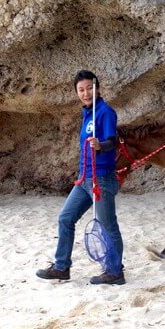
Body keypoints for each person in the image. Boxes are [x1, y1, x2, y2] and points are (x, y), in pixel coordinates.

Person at [36, 70, 125, 285]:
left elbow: (113, 141)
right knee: (66, 218)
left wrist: (100, 145)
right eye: (81, 90)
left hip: (101, 178)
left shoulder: (105, 112)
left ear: (97, 88)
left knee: (108, 225)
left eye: (89, 88)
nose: (85, 93)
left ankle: (115, 272)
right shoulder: (87, 113)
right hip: (84, 178)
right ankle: (61, 267)